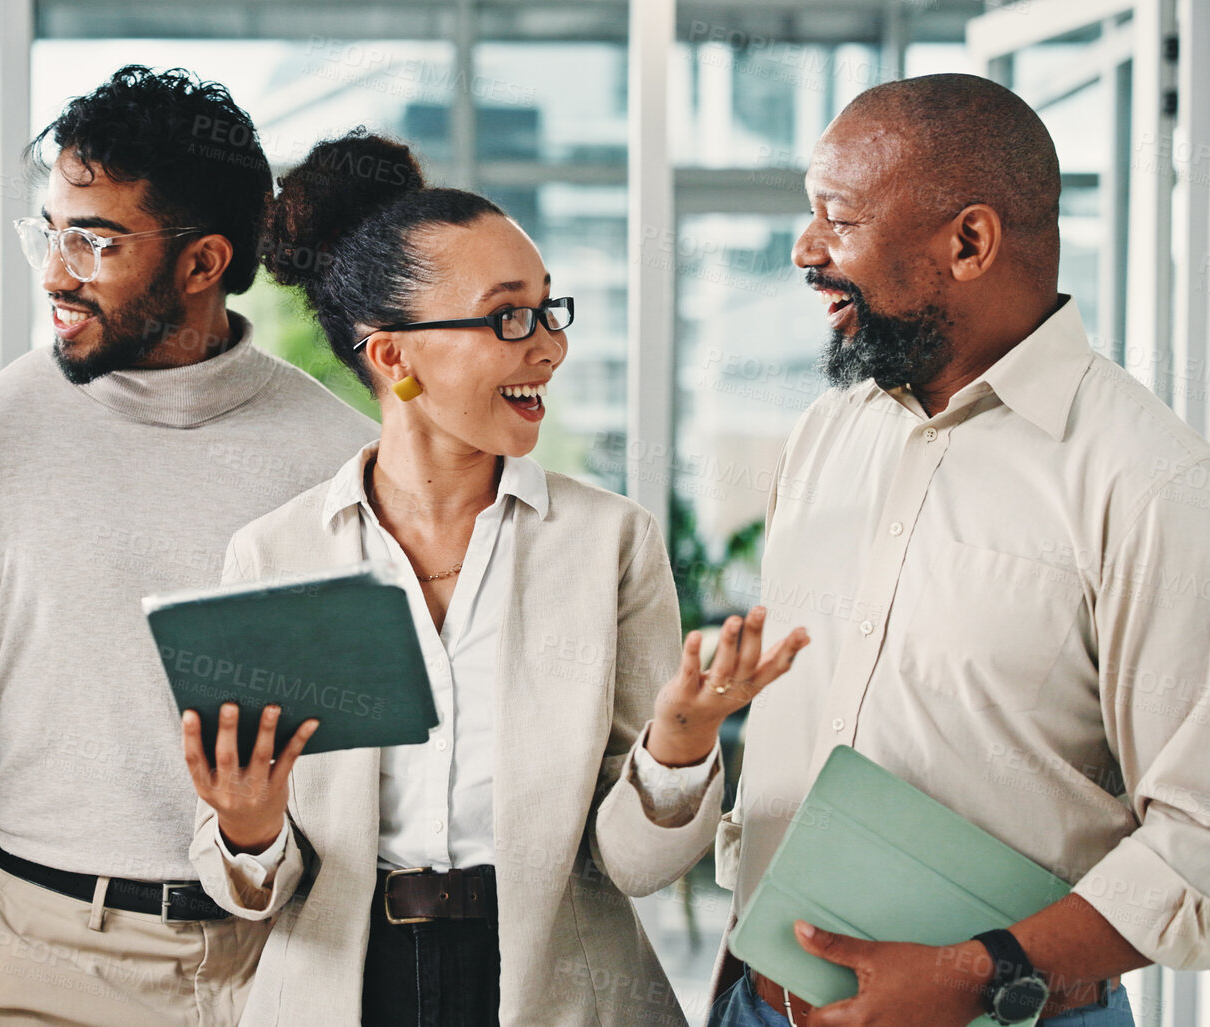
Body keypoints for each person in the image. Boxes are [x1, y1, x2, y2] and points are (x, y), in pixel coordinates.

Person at [177, 131, 810, 1027]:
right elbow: (250, 886)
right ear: (393, 356)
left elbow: (636, 863)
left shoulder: (608, 544)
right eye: (509, 316)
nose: (547, 347)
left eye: (551, 312)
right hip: (343, 993)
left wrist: (679, 739)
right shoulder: (279, 556)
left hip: (556, 990)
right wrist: (247, 822)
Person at [707, 74, 1210, 1027]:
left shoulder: (1154, 485)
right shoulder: (826, 434)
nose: (806, 251)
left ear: (968, 242)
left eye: (836, 219)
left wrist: (982, 971)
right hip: (761, 1008)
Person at [0, 67, 377, 1026]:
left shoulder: (341, 459)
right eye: (48, 231)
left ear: (202, 261)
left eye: (94, 241)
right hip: (43, 961)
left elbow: (363, 762)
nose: (56, 271)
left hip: (289, 965)